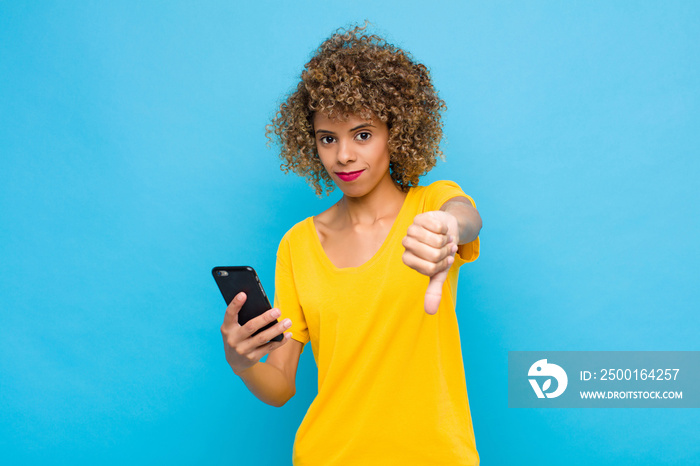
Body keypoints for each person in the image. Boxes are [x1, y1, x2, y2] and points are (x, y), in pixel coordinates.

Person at [220, 24, 483, 465]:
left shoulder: (430, 208)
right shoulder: (299, 245)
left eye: (362, 134)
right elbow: (282, 384)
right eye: (328, 138)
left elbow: (465, 216)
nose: (343, 155)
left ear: (394, 133)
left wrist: (450, 229)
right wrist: (240, 360)